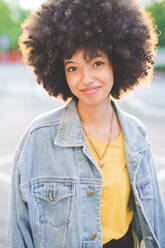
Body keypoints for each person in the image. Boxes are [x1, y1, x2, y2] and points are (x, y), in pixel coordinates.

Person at [8, 0, 165, 247]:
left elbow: (155, 222)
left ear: (118, 62)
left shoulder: (135, 134)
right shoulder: (38, 137)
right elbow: (20, 228)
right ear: (60, 72)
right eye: (73, 67)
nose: (86, 79)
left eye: (97, 63)